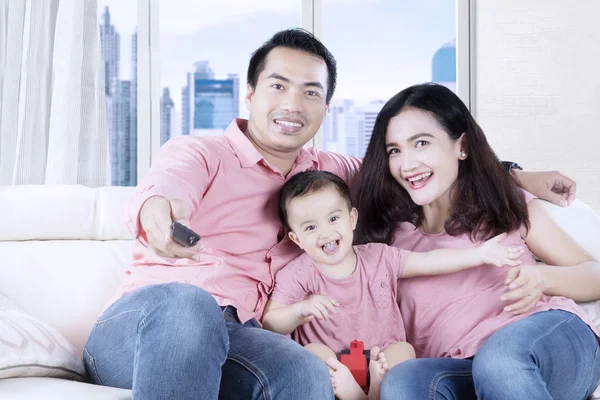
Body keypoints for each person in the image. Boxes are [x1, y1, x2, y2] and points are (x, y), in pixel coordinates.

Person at [83, 28, 580, 399]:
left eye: (311, 92)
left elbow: (425, 164)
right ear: (251, 94)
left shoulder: (332, 172)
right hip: (148, 326)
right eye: (278, 86)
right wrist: (159, 211)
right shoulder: (200, 152)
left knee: (303, 371)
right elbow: (165, 188)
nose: (293, 103)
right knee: (190, 305)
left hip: (243, 336)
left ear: (325, 108)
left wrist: (518, 174)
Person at [353, 82, 600, 400]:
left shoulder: (503, 205)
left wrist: (542, 278)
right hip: (460, 369)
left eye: (422, 143)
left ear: (462, 146)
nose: (407, 164)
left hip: (547, 343)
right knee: (403, 382)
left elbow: (594, 274)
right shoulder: (387, 242)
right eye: (394, 150)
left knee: (499, 361)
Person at [263, 170, 524, 400]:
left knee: (404, 350)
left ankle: (377, 390)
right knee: (312, 352)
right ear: (297, 239)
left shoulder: (379, 256)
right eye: (310, 227)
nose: (325, 232)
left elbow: (428, 261)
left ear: (352, 219)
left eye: (333, 219)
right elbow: (271, 322)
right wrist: (301, 309)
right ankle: (353, 393)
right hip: (336, 367)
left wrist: (477, 256)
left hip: (381, 359)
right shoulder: (299, 273)